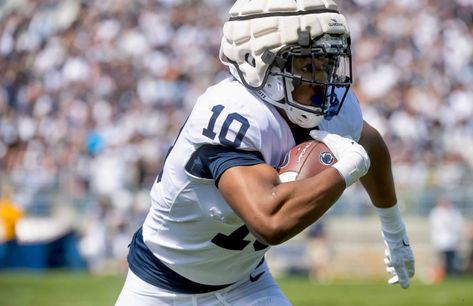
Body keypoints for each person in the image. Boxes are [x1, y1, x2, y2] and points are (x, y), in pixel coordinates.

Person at [116, 1, 415, 305]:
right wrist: (344, 171)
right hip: (159, 287)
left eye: (327, 64)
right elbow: (271, 222)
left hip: (246, 282)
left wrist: (395, 232)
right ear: (260, 64)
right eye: (309, 66)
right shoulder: (234, 113)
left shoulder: (329, 108)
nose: (323, 82)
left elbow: (372, 144)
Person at [428, 196, 463, 277]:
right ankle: (441, 273)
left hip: (451, 240)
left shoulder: (454, 211)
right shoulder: (436, 212)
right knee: (441, 259)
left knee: (451, 259)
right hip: (440, 240)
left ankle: (450, 273)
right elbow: (437, 225)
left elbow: (457, 225)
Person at [0, 184, 24, 269]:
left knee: (14, 252)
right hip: (8, 234)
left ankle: (18, 267)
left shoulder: (8, 205)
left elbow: (17, 216)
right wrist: (19, 211)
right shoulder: (4, 205)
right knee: (6, 253)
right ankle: (4, 267)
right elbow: (15, 216)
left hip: (12, 233)